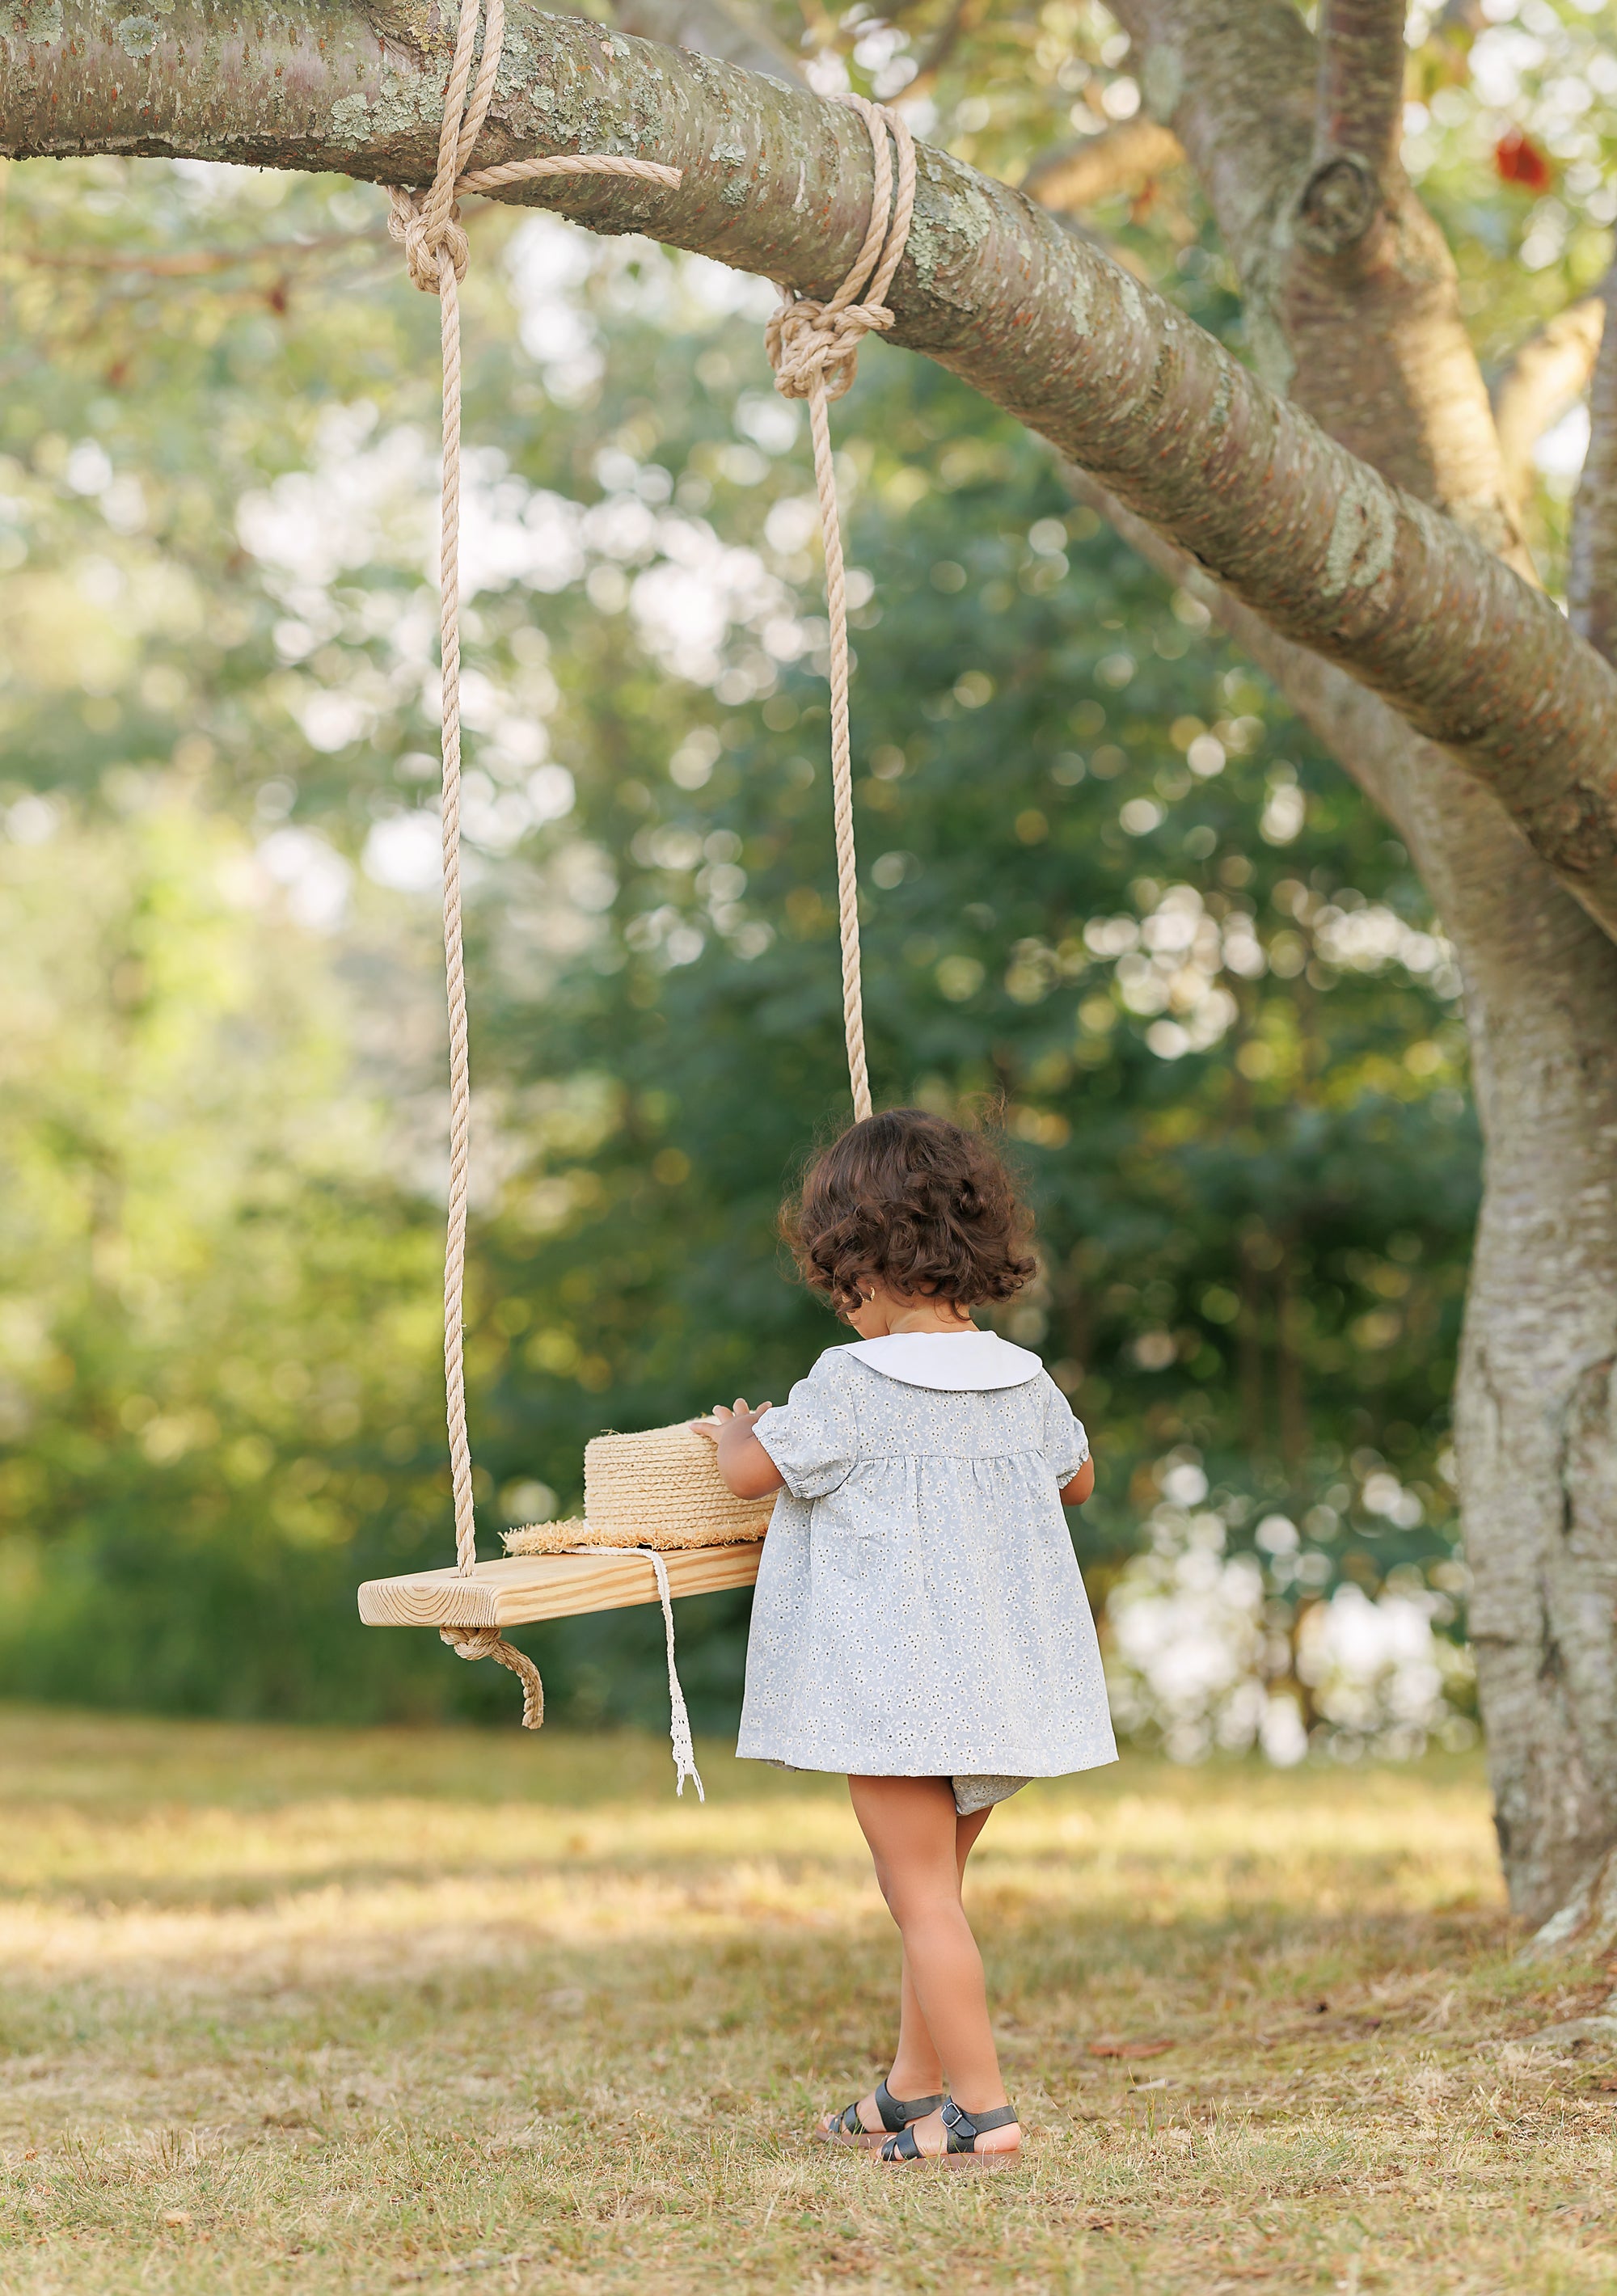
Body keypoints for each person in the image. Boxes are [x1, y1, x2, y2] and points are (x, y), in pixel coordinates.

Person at [692, 1108, 1115, 2166]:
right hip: (1001, 1686)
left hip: (895, 1693)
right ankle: (909, 2089)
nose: (847, 1309)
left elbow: (750, 1475)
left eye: (843, 1287)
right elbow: (1078, 1479)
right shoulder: (1023, 1378)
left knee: (920, 1899)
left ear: (863, 1266)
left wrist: (738, 1432)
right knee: (940, 1897)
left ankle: (983, 2114)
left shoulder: (852, 1384)